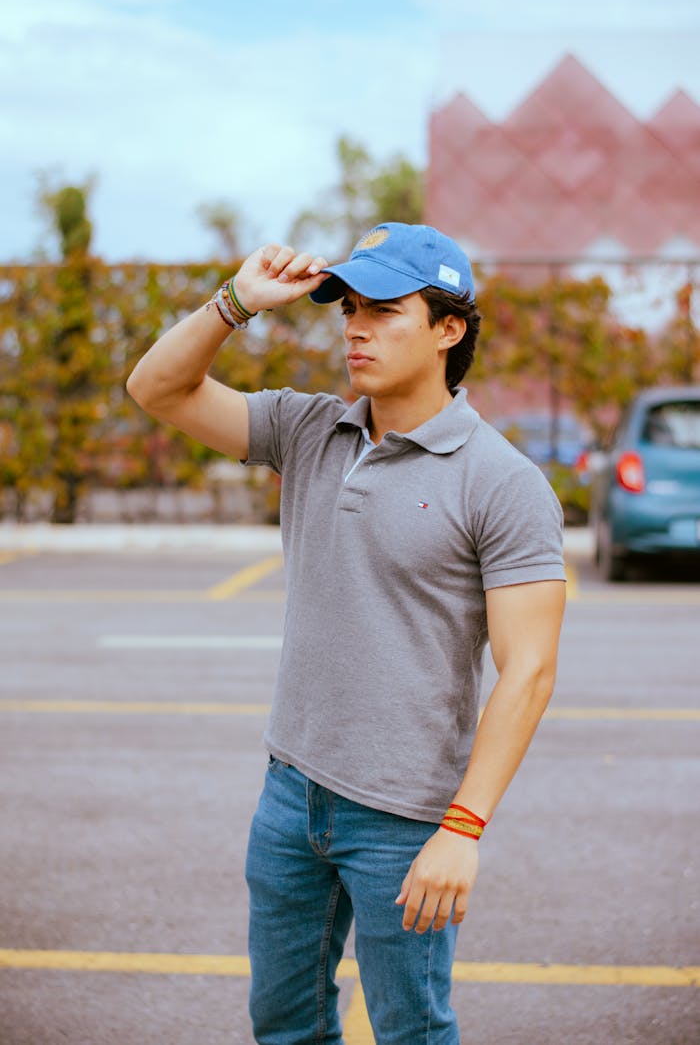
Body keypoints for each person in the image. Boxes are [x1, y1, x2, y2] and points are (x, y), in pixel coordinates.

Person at [127, 222, 566, 1044]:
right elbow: (155, 389)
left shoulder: (503, 482)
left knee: (411, 1030)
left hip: (405, 817)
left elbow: (530, 669)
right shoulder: (307, 429)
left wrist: (462, 829)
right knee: (284, 1022)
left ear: (448, 328)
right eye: (349, 310)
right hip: (290, 794)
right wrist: (235, 302)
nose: (356, 329)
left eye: (384, 311)